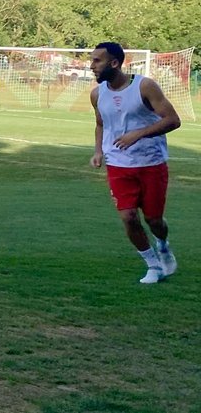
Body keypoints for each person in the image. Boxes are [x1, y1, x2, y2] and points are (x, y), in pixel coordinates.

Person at [89, 42, 181, 284]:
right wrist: (98, 151)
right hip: (118, 164)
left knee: (154, 220)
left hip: (151, 163)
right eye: (91, 60)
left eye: (97, 61)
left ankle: (162, 244)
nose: (91, 66)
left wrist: (138, 134)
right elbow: (100, 124)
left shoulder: (145, 86)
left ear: (115, 63)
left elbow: (173, 120)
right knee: (128, 217)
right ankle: (152, 265)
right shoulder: (97, 94)